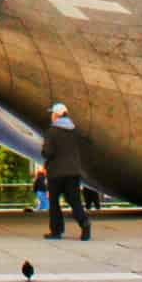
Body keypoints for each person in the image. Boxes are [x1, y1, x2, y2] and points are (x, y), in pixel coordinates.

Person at [41, 101, 92, 241]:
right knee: (74, 201)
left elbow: (48, 152)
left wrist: (44, 152)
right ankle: (84, 223)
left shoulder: (52, 131)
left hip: (56, 172)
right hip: (73, 171)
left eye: (52, 114)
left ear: (57, 115)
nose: (51, 116)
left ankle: (56, 231)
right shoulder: (75, 130)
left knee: (54, 202)